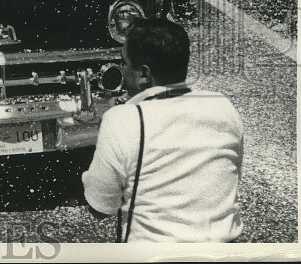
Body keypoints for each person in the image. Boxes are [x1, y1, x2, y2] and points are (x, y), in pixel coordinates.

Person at [83, 18, 244, 242]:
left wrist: (110, 128)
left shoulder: (122, 120)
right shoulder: (223, 106)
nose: (121, 69)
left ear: (144, 74)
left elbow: (101, 207)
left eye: (124, 62)